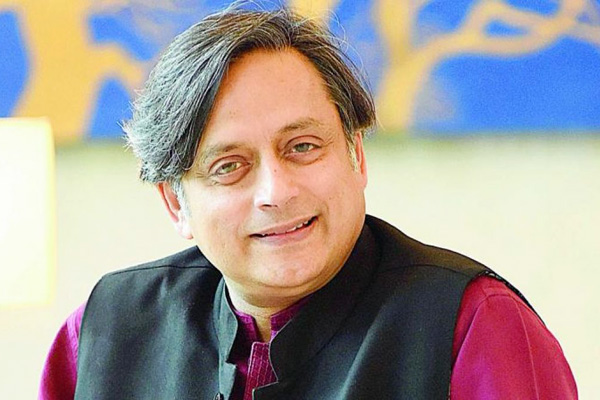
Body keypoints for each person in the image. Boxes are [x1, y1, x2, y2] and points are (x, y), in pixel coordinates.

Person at [40, 5, 577, 400]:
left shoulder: (471, 324)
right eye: (229, 166)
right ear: (175, 205)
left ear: (356, 155)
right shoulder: (102, 334)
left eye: (302, 147)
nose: (276, 192)